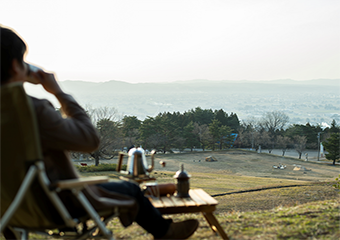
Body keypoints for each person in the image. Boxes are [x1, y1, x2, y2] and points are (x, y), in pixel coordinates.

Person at [0, 25, 198, 240]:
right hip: (56, 203)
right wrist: (59, 93)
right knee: (131, 190)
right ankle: (167, 232)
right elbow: (90, 140)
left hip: (10, 209)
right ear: (14, 66)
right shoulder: (31, 112)